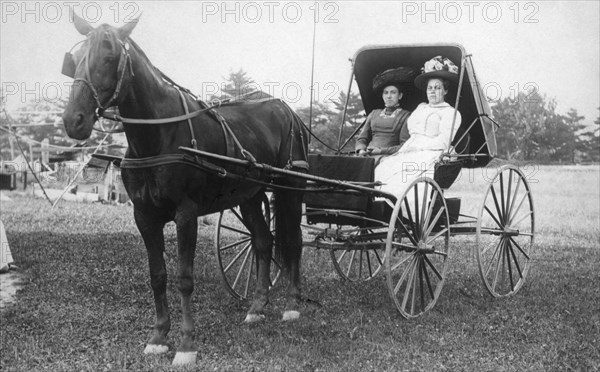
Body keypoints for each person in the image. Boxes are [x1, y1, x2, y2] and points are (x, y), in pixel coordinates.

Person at [374, 56, 462, 197]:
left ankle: (404, 211)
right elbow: (412, 132)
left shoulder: (450, 112)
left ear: (445, 91)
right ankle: (382, 209)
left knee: (405, 177)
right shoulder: (420, 108)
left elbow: (444, 141)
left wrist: (419, 147)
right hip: (410, 149)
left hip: (434, 152)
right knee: (382, 169)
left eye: (437, 88)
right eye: (430, 88)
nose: (432, 91)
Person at [355, 67, 417, 165]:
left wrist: (381, 151)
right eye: (386, 93)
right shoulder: (374, 113)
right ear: (382, 96)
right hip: (366, 156)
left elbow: (404, 145)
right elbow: (362, 139)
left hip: (388, 158)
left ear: (400, 96)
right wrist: (361, 150)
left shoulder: (405, 116)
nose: (389, 96)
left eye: (393, 92)